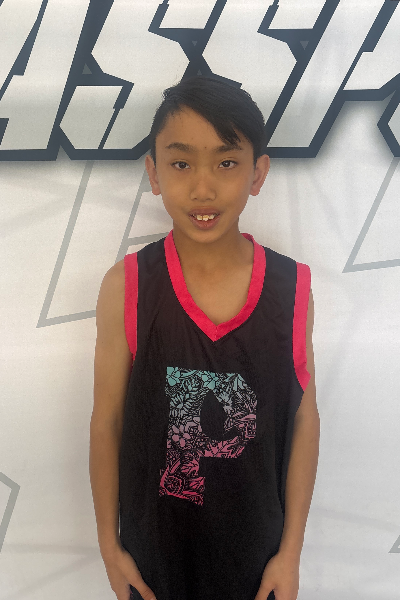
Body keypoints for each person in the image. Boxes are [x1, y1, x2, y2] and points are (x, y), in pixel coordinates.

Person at [89, 76, 320, 600]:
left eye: (226, 162)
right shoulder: (127, 285)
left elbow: (303, 419)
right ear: (153, 172)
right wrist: (109, 546)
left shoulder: (292, 288)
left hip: (258, 565)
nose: (202, 188)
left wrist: (290, 553)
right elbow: (107, 422)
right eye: (180, 163)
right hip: (153, 564)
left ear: (258, 173)